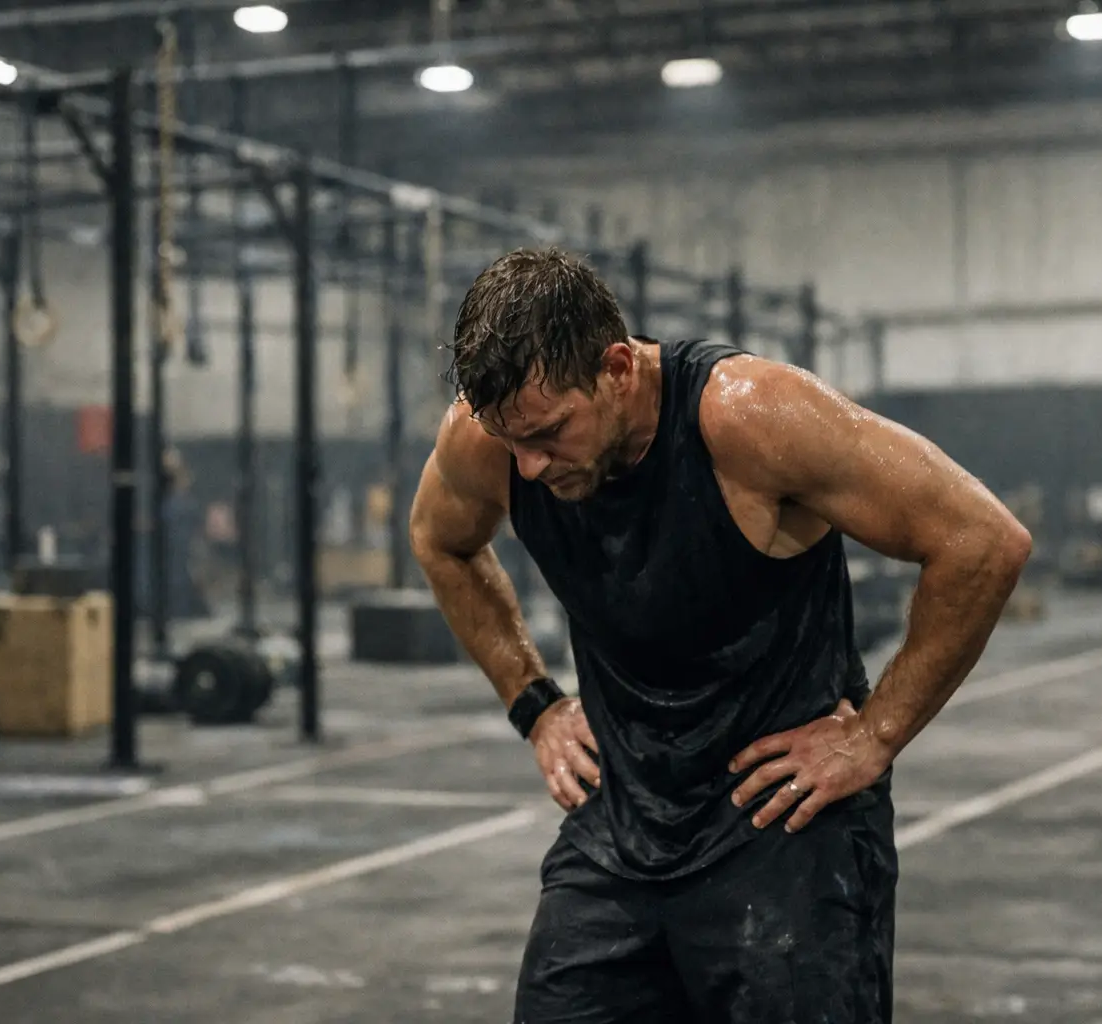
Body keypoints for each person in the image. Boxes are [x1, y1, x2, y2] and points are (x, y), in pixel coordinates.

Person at [409, 248, 1031, 1024]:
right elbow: (440, 540)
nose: (530, 468)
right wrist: (535, 704)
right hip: (623, 823)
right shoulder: (488, 440)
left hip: (784, 824)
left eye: (550, 433)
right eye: (513, 442)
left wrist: (874, 736)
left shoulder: (750, 417)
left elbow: (982, 540)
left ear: (616, 370)